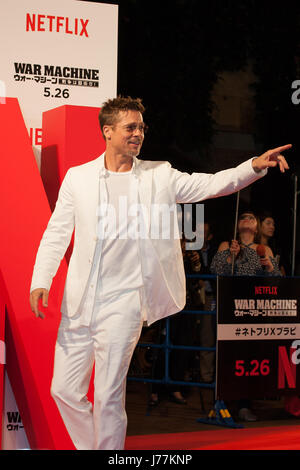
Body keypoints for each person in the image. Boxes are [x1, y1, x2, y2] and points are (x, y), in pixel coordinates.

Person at [29, 95, 291, 450]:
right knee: (62, 389)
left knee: (108, 395)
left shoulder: (159, 175)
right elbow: (57, 232)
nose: (138, 133)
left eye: (141, 127)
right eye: (130, 127)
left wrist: (254, 166)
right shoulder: (79, 178)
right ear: (107, 131)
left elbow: (211, 184)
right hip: (80, 300)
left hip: (125, 303)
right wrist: (41, 280)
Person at [210, 210, 282, 422]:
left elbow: (276, 279)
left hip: (251, 311)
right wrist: (231, 255)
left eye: (251, 218)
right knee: (224, 355)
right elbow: (215, 270)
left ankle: (244, 404)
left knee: (248, 359)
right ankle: (221, 401)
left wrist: (269, 267)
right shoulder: (226, 245)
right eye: (243, 217)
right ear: (238, 224)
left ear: (257, 227)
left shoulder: (264, 249)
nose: (247, 220)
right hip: (227, 309)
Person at [258, 211, 286, 275]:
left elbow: (281, 271)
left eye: (273, 224)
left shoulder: (275, 249)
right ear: (259, 225)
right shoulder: (254, 247)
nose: (272, 227)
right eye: (268, 223)